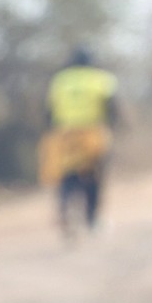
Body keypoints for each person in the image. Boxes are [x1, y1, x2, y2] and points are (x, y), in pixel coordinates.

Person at [40, 46, 121, 237]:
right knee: (94, 175)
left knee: (67, 175)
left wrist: (52, 131)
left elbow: (48, 111)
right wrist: (113, 126)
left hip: (64, 134)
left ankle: (65, 208)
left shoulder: (59, 80)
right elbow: (112, 108)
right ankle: (92, 218)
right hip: (91, 133)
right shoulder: (101, 79)